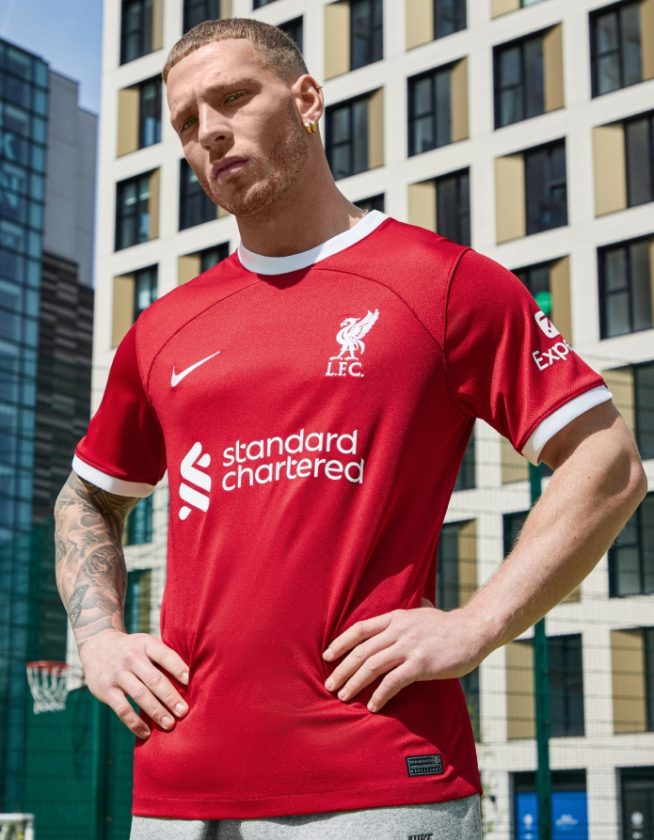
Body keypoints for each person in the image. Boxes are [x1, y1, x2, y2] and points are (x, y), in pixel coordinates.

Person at [54, 17, 647, 840]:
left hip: (378, 781)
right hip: (176, 790)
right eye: (187, 122)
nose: (209, 132)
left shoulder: (442, 283)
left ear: (306, 100)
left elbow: (608, 462)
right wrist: (98, 641)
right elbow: (87, 497)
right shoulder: (163, 330)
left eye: (234, 98)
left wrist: (476, 626)